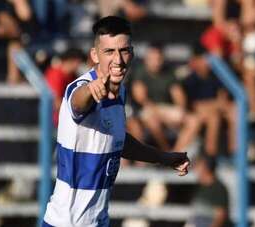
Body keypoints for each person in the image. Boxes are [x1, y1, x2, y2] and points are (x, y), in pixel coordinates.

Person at [42, 16, 190, 227]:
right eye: (109, 51)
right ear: (94, 55)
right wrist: (91, 91)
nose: (118, 60)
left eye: (124, 50)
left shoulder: (120, 92)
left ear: (132, 53)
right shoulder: (81, 87)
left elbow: (118, 140)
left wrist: (164, 157)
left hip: (97, 221)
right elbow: (77, 102)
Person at [131, 43, 200, 152]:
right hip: (147, 110)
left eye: (158, 58)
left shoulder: (169, 72)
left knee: (194, 121)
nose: (156, 62)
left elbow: (178, 95)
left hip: (166, 109)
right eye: (153, 58)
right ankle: (165, 152)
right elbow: (141, 98)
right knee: (153, 122)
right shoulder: (140, 72)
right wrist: (161, 114)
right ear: (147, 59)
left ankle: (176, 153)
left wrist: (180, 110)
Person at [185, 155, 230, 227]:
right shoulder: (199, 187)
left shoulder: (218, 189)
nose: (195, 169)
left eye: (198, 165)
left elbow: (220, 217)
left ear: (206, 168)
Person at [45, 47, 85, 126]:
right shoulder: (56, 74)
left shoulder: (73, 76)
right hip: (54, 123)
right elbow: (56, 103)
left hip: (68, 120)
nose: (79, 65)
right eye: (79, 62)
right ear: (73, 61)